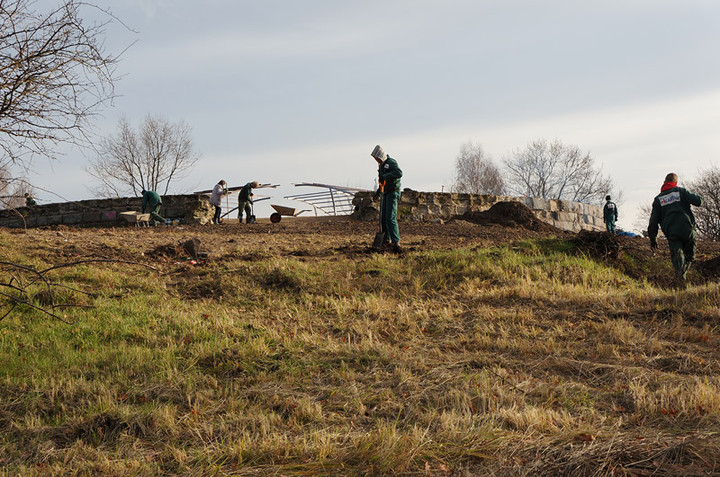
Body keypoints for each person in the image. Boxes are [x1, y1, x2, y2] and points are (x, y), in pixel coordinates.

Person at [648, 172, 703, 285]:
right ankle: (681, 280)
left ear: (664, 182)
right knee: (690, 256)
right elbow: (699, 201)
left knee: (678, 258)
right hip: (687, 230)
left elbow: (653, 222)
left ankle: (680, 279)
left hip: (671, 232)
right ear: (675, 182)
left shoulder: (658, 199)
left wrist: (653, 239)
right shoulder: (681, 192)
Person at [371, 145, 403, 254]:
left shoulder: (391, 162)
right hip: (385, 192)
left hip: (393, 192)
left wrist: (387, 175)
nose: (376, 160)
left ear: (381, 156)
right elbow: (382, 182)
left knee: (390, 218)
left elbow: (399, 173)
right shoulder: (381, 166)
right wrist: (378, 192)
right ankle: (386, 240)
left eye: (377, 158)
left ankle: (396, 242)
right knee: (383, 218)